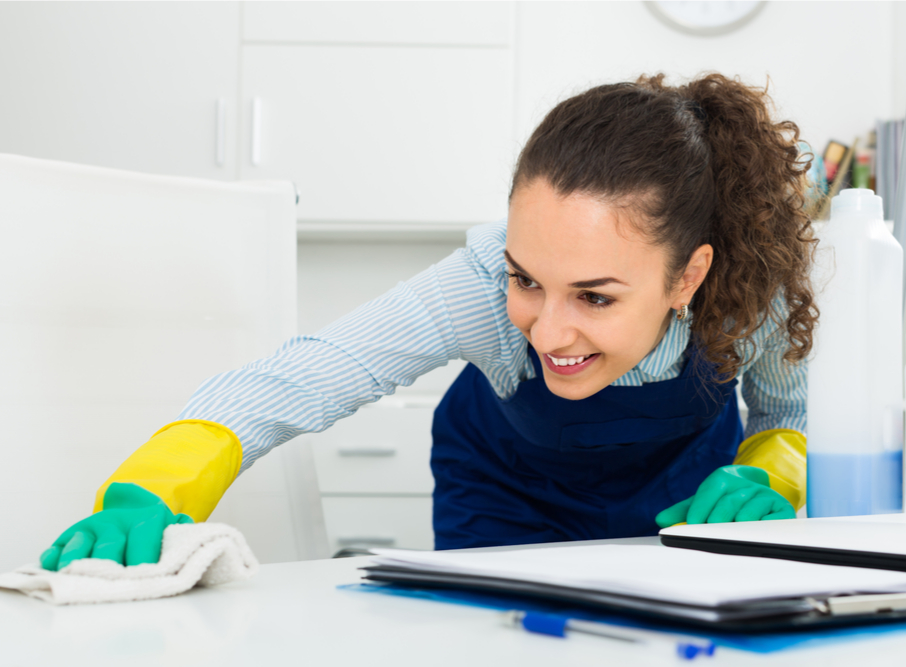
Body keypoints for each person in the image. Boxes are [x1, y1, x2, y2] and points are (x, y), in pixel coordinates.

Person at [40, 72, 816, 570]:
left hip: (682, 503)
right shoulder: (477, 288)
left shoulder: (752, 298)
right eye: (527, 279)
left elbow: (789, 414)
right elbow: (314, 370)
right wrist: (152, 484)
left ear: (690, 275)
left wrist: (770, 472)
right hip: (505, 498)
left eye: (596, 297)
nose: (546, 332)